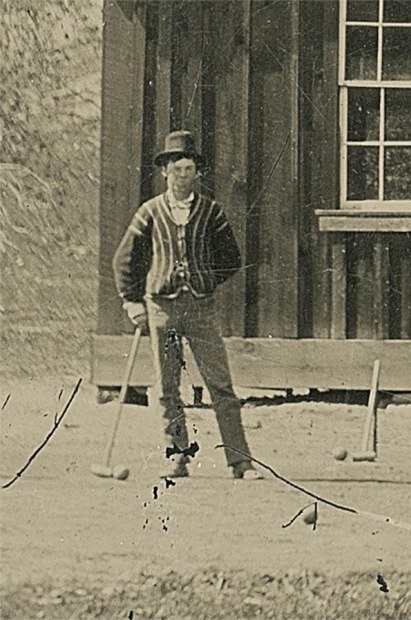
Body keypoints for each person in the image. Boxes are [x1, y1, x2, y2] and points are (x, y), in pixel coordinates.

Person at [112, 130, 262, 480]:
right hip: (161, 308)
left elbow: (231, 258)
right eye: (176, 169)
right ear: (165, 171)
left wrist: (205, 279)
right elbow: (124, 260)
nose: (182, 176)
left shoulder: (212, 212)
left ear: (198, 173)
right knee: (167, 387)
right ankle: (177, 457)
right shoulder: (149, 211)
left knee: (220, 386)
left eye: (189, 169)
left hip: (201, 308)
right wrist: (132, 302)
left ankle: (240, 462)